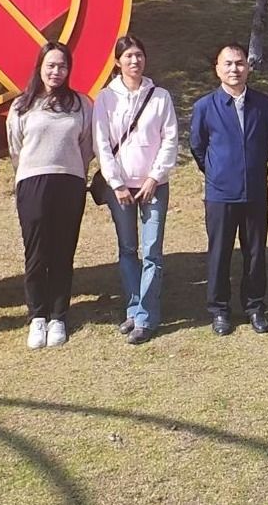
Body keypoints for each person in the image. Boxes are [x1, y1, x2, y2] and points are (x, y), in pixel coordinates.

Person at [5, 41, 93, 350]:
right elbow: (16, 147)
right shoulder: (22, 105)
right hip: (32, 182)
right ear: (40, 67)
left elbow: (86, 145)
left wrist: (76, 170)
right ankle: (37, 316)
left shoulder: (81, 104)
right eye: (51, 65)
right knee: (36, 252)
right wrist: (31, 169)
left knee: (63, 250)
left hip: (69, 181)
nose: (56, 71)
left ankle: (58, 316)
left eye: (62, 66)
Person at [93, 34, 178, 345]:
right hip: (120, 188)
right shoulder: (106, 98)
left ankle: (146, 316)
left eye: (139, 55)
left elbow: (170, 139)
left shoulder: (160, 96)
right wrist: (116, 183)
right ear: (117, 62)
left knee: (152, 250)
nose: (134, 61)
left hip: (154, 185)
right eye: (128, 56)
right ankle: (133, 307)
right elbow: (101, 143)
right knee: (128, 249)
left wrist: (155, 177)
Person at [189, 43, 268, 336]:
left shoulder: (262, 104)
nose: (234, 69)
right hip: (220, 194)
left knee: (255, 252)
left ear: (248, 67)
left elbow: (265, 142)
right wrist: (217, 171)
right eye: (227, 64)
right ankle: (219, 310)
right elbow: (198, 146)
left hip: (255, 191)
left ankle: (255, 306)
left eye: (239, 63)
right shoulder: (204, 107)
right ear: (217, 69)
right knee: (219, 253)